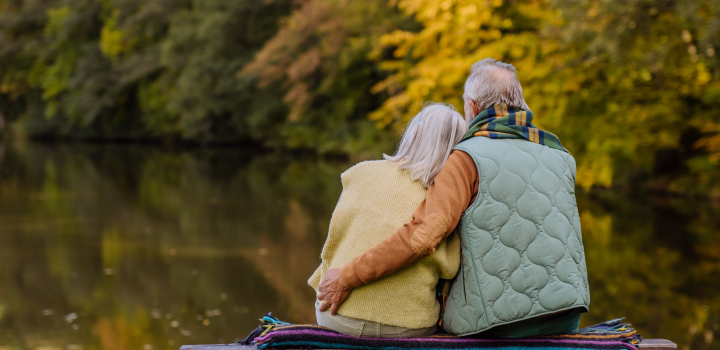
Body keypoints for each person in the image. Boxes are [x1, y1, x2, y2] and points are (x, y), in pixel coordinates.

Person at [316, 59, 590, 338]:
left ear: (472, 107)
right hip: (567, 315)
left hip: (498, 324)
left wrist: (348, 276)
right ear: (521, 103)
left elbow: (423, 237)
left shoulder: (466, 158)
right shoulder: (561, 156)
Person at [309, 103, 468, 338]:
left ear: (413, 132)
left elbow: (334, 242)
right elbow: (450, 268)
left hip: (337, 316)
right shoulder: (448, 200)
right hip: (409, 326)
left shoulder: (360, 172)